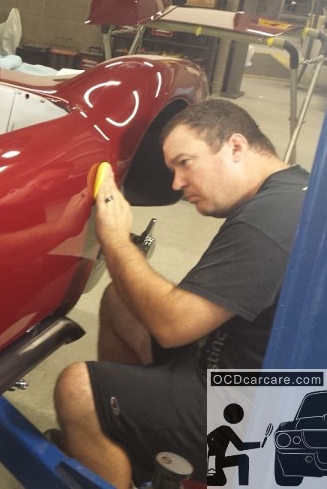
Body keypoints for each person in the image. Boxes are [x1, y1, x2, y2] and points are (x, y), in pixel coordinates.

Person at [52, 99, 310, 488]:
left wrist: (116, 239)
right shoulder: (290, 190)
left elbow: (174, 325)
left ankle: (123, 442)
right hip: (251, 371)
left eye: (185, 162)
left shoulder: (271, 219)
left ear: (235, 147)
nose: (175, 183)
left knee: (77, 388)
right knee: (121, 302)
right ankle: (135, 445)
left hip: (268, 422)